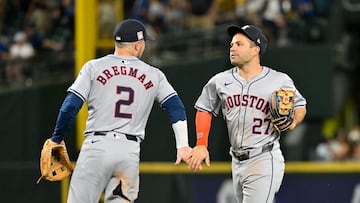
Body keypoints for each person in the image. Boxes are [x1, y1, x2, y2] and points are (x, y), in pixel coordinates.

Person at [46, 19, 192, 203]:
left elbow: (70, 106)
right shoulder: (154, 74)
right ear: (138, 44)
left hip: (96, 147)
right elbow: (175, 107)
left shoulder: (94, 67)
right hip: (128, 152)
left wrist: (56, 139)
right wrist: (183, 146)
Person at [186, 24, 307, 202]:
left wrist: (294, 122)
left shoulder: (278, 80)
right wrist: (201, 144)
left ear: (255, 50)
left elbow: (300, 105)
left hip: (264, 157)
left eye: (239, 44)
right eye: (232, 45)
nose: (232, 48)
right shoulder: (221, 80)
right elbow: (204, 109)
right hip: (236, 160)